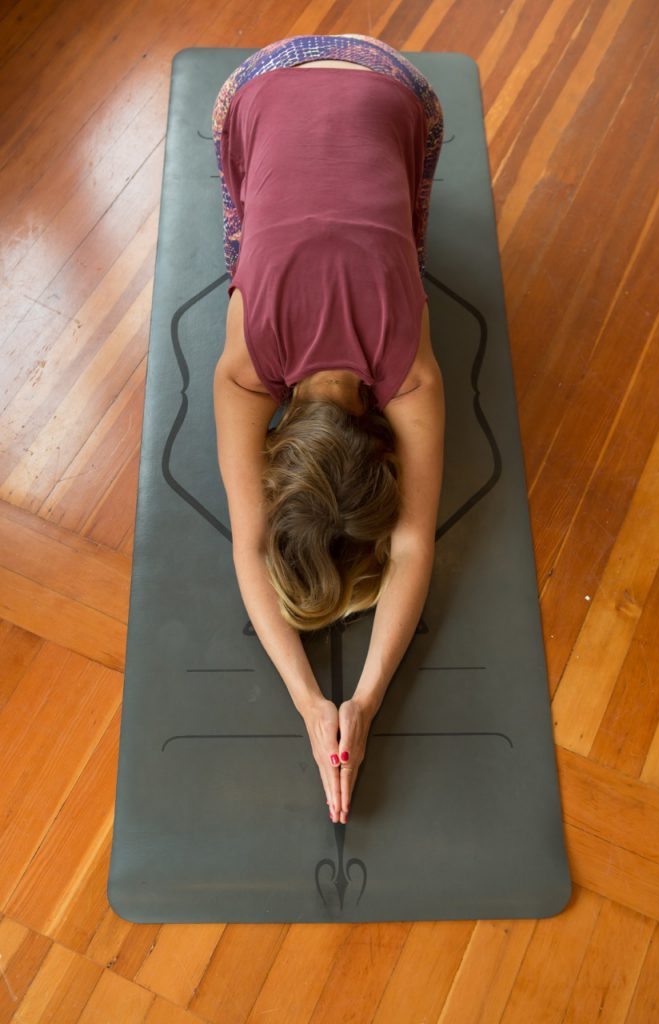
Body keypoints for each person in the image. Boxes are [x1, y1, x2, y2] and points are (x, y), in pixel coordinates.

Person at [212, 34, 445, 824]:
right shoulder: (249, 372)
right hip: (274, 78)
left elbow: (411, 543)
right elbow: (253, 545)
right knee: (244, 247)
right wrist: (335, 704)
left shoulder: (406, 374)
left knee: (405, 246)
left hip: (392, 82)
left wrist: (345, 703)